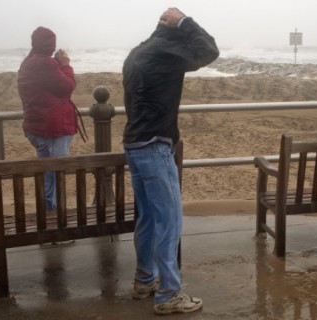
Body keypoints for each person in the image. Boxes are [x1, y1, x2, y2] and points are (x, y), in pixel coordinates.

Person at [122, 8, 219, 315]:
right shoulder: (167, 51)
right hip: (155, 146)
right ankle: (169, 295)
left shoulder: (139, 52)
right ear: (176, 37)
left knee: (149, 218)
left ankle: (145, 279)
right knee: (170, 221)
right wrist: (185, 22)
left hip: (135, 145)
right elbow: (208, 50)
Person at [18, 26, 82, 212]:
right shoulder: (46, 64)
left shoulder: (28, 62)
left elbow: (45, 86)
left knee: (47, 173)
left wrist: (56, 64)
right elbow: (67, 86)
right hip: (54, 129)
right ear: (50, 44)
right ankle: (56, 223)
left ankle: (47, 215)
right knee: (56, 174)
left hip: (36, 128)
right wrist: (66, 65)